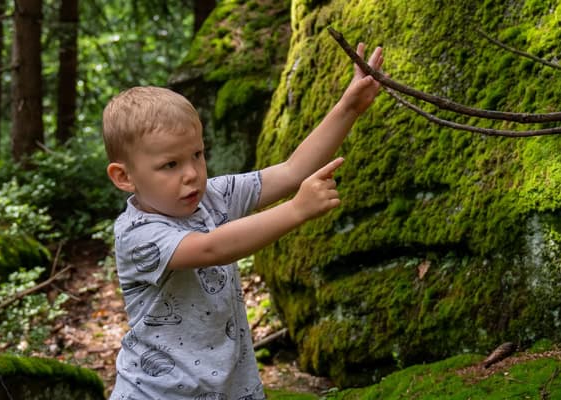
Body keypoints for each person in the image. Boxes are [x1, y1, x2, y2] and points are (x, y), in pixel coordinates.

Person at [101, 42, 384, 400]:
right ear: (125, 177)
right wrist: (296, 210)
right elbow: (210, 247)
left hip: (231, 388)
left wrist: (349, 107)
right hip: (156, 393)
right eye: (170, 165)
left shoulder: (213, 197)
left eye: (198, 155)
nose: (192, 174)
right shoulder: (137, 235)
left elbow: (291, 171)